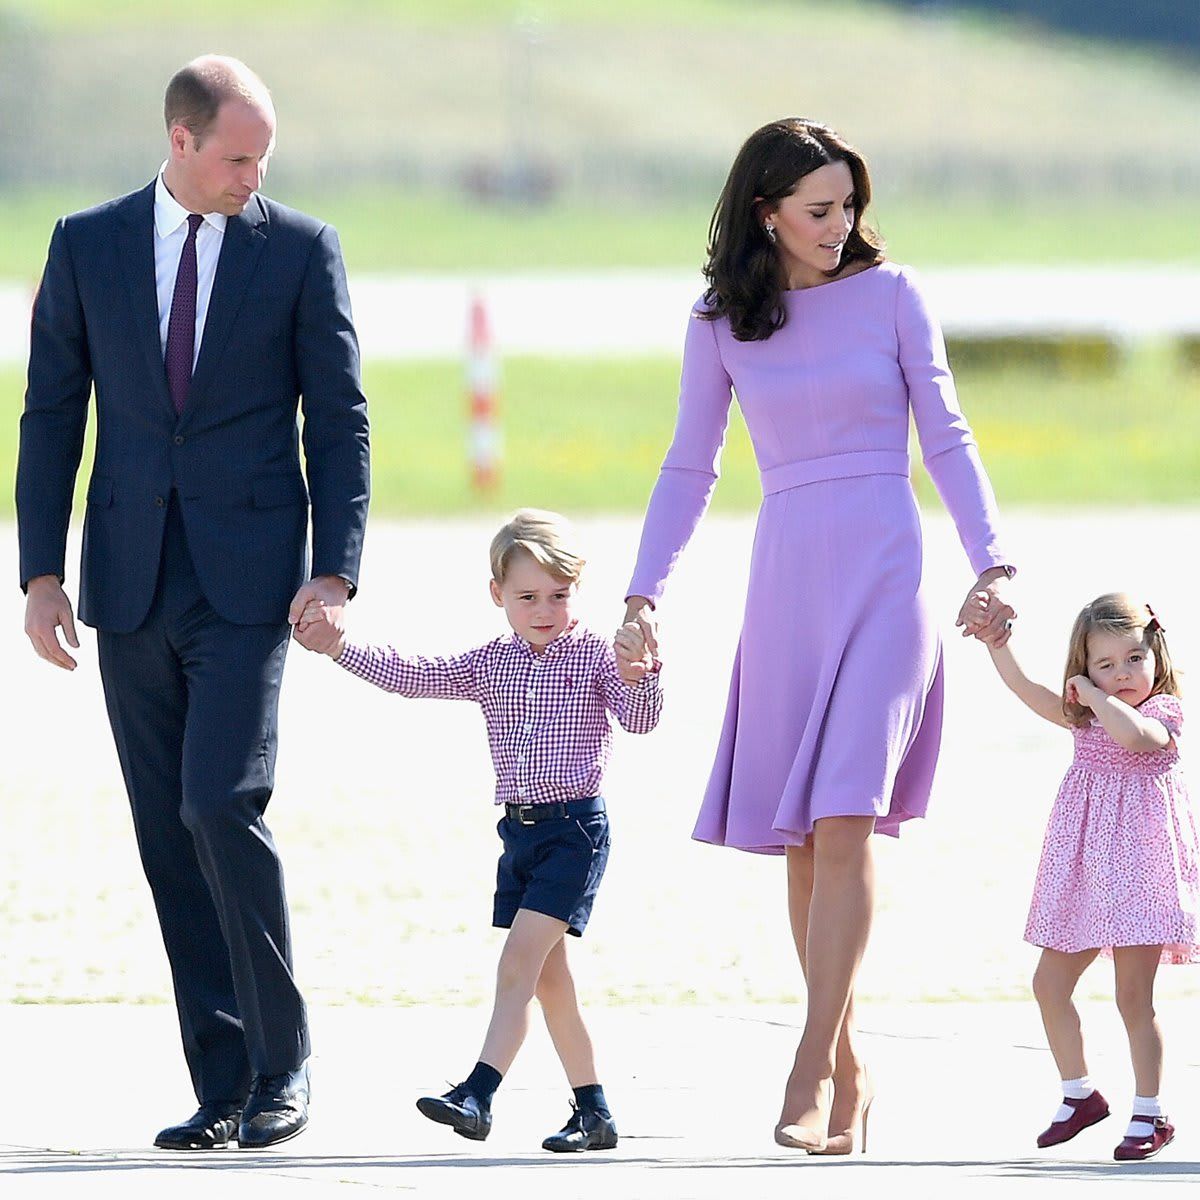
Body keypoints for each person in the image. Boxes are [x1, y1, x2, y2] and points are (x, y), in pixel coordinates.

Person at [618, 118, 1014, 1153]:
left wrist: (994, 561)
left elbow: (949, 434)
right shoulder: (718, 321)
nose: (841, 226)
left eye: (849, 207)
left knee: (845, 817)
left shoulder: (894, 296)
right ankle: (850, 1068)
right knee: (801, 840)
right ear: (768, 214)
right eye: (820, 209)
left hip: (888, 575)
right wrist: (643, 593)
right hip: (787, 583)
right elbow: (687, 466)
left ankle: (807, 1059)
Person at [16, 56, 370, 1150]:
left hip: (249, 581)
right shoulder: (87, 245)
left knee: (221, 802)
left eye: (264, 158)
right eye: (236, 156)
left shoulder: (301, 249)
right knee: (169, 837)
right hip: (128, 580)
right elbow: (49, 417)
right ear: (180, 141)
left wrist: (336, 570)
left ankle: (284, 1063)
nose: (253, 176)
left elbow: (341, 416)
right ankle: (221, 1087)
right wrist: (38, 574)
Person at [294, 508, 662, 1152]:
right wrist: (340, 647)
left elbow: (639, 720)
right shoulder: (492, 663)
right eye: (527, 597)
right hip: (519, 836)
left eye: (558, 595)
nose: (543, 609)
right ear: (498, 596)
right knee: (552, 982)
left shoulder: (595, 658)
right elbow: (414, 675)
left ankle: (479, 1093)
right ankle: (594, 1111)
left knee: (518, 963)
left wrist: (641, 672)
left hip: (575, 831)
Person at [979, 593, 1195, 1162]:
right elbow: (1028, 692)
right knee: (1049, 984)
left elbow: (1134, 739)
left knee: (1133, 999)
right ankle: (1079, 1095)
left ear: (1156, 655)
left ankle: (1151, 1110)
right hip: (1085, 873)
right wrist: (999, 647)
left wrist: (1096, 695)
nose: (1123, 674)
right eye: (1105, 664)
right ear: (1083, 666)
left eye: (1133, 658)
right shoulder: (1087, 714)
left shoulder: (1162, 712)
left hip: (1144, 876)